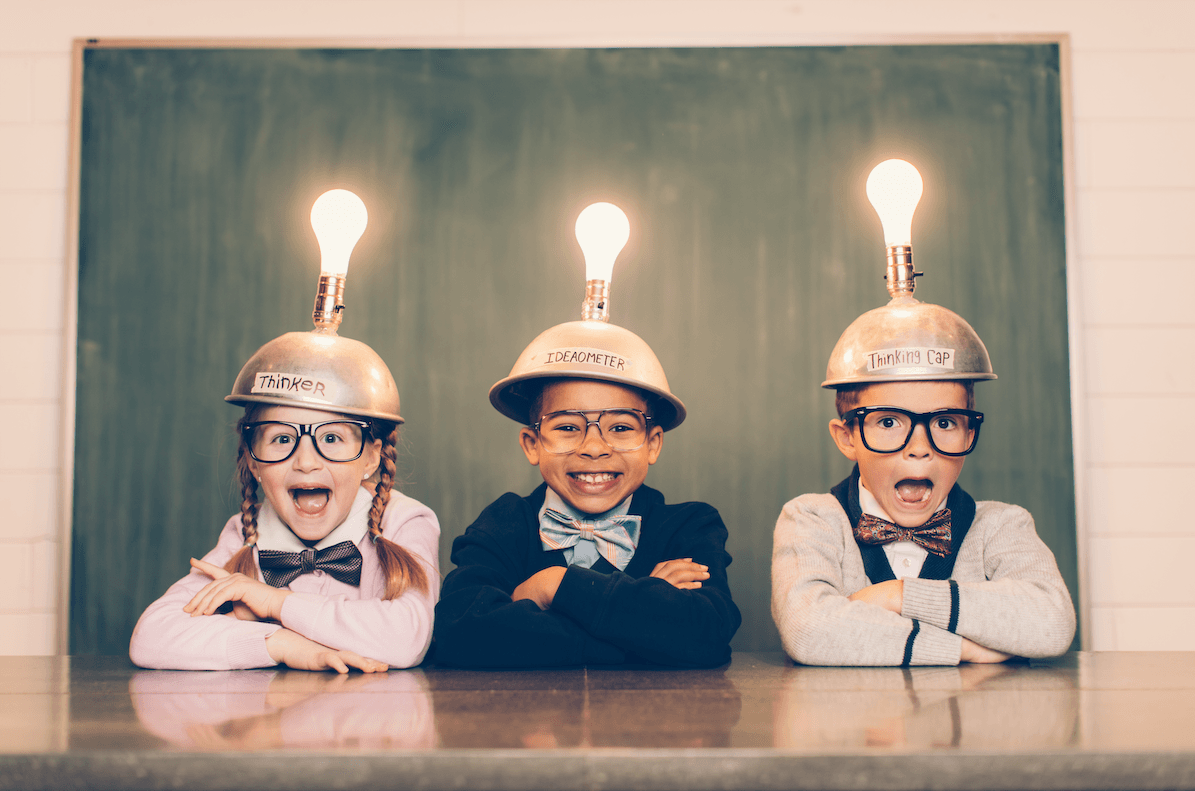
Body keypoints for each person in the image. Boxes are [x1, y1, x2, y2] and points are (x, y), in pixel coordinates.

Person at [771, 163, 1075, 666]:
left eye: (944, 423)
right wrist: (961, 649)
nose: (919, 446)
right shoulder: (813, 520)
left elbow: (1051, 621)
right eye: (889, 422)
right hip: (848, 740)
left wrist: (899, 597)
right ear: (846, 436)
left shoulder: (1001, 527)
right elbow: (809, 630)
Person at [433, 302, 741, 668]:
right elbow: (459, 633)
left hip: (652, 723)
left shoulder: (690, 527)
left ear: (653, 443)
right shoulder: (505, 522)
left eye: (622, 427)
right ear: (533, 445)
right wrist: (647, 620)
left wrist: (554, 585)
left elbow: (705, 636)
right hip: (527, 722)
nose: (594, 448)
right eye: (566, 427)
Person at [130, 325, 439, 673]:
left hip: (373, 724)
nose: (306, 462)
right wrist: (279, 644)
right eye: (280, 439)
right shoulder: (245, 536)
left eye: (332, 438)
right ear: (253, 459)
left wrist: (274, 603)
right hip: (273, 721)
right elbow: (151, 636)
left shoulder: (405, 522)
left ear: (372, 458)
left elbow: (405, 638)